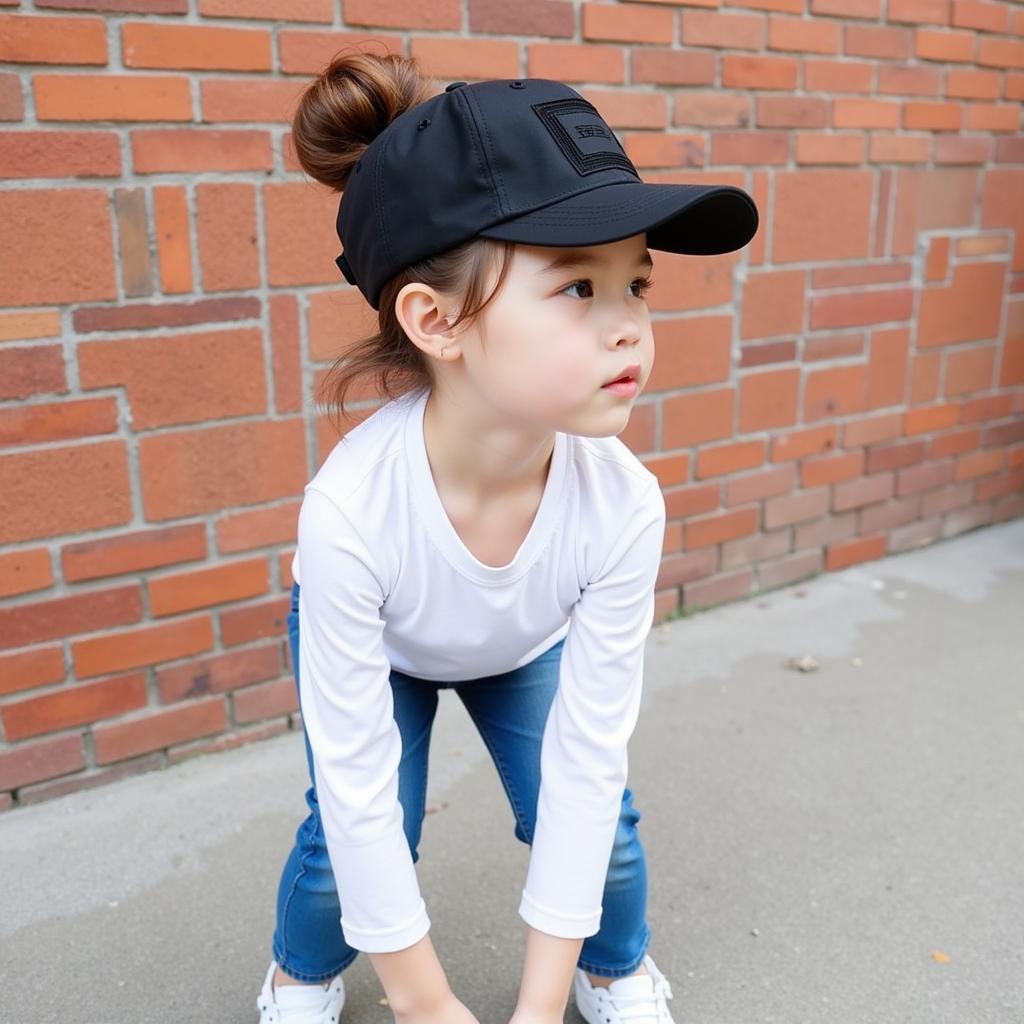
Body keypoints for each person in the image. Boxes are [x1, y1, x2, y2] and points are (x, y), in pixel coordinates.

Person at [256, 51, 758, 1024]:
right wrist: (428, 1004)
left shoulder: (623, 503)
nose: (629, 329)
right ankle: (297, 971)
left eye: (636, 284)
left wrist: (531, 1013)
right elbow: (358, 795)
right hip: (390, 643)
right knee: (356, 833)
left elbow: (584, 765)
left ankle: (607, 970)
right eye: (578, 287)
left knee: (600, 821)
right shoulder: (351, 513)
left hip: (521, 642)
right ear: (435, 320)